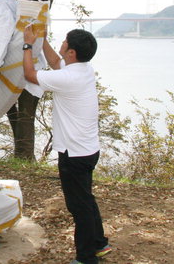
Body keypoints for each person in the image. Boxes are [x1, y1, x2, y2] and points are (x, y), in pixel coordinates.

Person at [23, 26, 111, 264]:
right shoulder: (83, 69)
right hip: (88, 149)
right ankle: (99, 243)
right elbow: (54, 62)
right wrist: (42, 39)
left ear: (71, 52)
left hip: (74, 154)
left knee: (78, 206)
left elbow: (31, 75)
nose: (61, 44)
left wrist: (27, 45)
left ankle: (85, 258)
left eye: (64, 42)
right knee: (86, 199)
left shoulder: (69, 77)